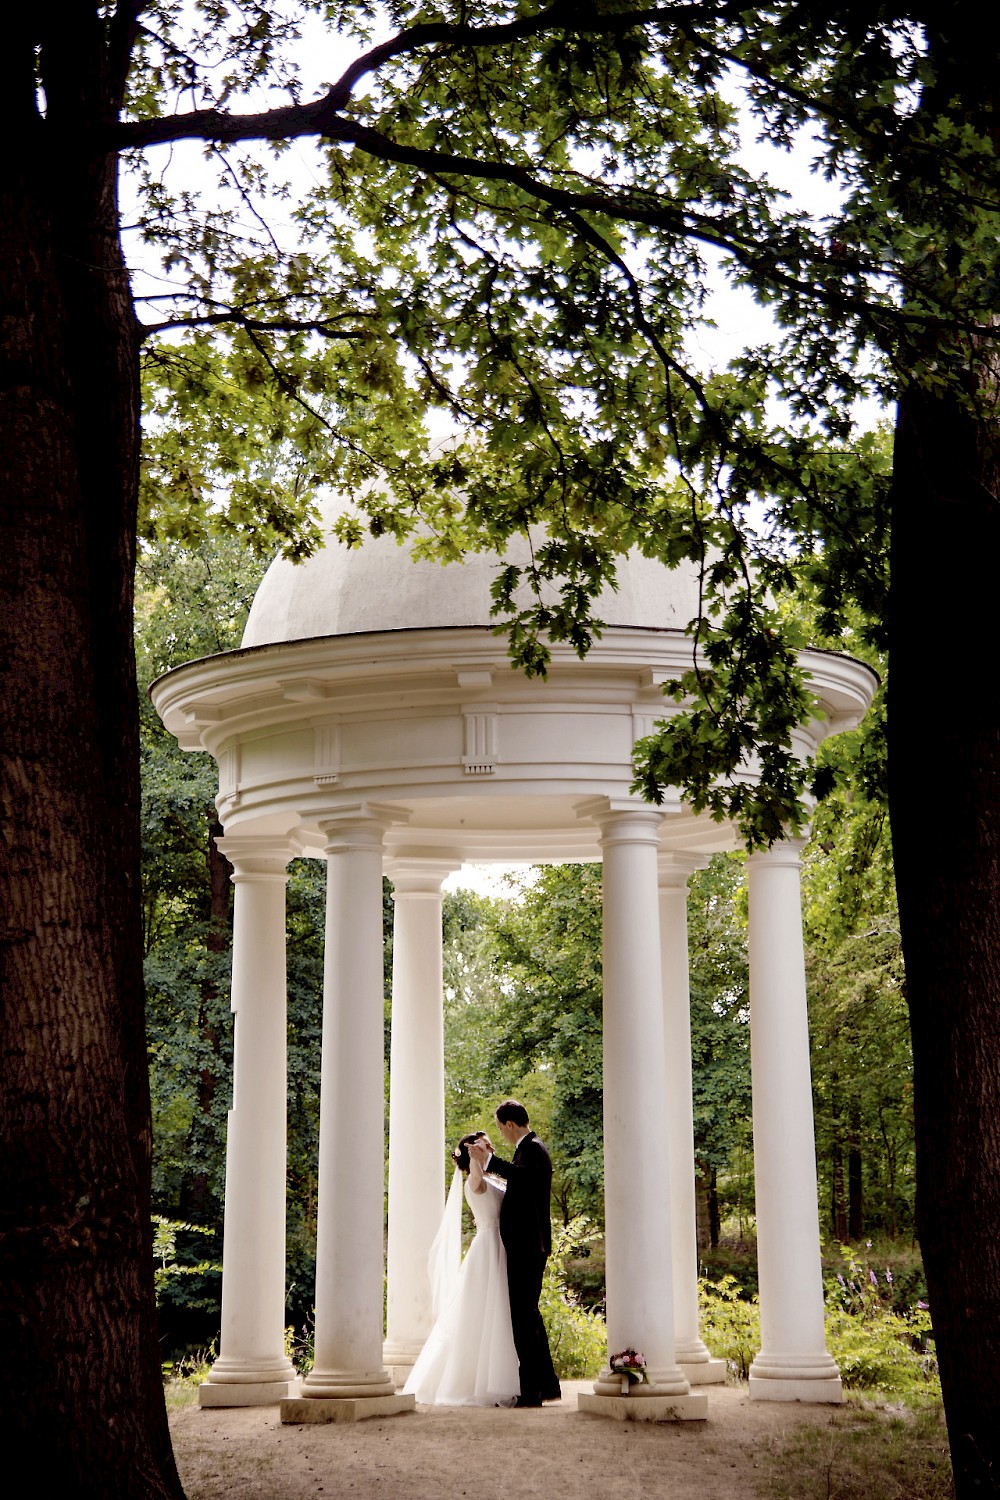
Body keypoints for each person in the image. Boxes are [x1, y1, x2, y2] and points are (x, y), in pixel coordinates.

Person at [403, 1131, 520, 1407]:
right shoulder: (475, 1179)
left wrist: (485, 1157)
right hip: (488, 1248)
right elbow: (479, 1180)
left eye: (490, 1141)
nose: (490, 1145)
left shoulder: (493, 1176)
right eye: (484, 1142)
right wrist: (477, 1158)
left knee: (498, 1313)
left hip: (502, 1246)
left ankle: (497, 1376)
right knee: (481, 1312)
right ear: (471, 1150)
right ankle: (469, 1382)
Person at [470, 1100, 561, 1407]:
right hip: (525, 1245)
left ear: (509, 1124)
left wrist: (489, 1161)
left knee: (524, 1317)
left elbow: (521, 1179)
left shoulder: (534, 1148)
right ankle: (544, 1386)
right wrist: (491, 1159)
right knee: (527, 1316)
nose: (501, 1134)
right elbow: (520, 1180)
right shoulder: (529, 1149)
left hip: (528, 1246)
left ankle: (533, 1390)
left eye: (500, 1127)